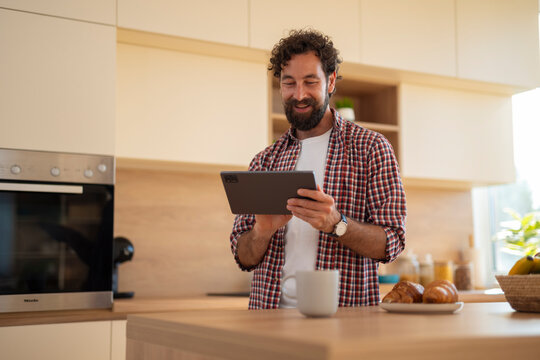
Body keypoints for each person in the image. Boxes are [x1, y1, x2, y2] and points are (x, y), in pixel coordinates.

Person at [229, 29, 406, 309]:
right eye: (289, 83)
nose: (299, 94)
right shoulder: (264, 162)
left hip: (343, 323)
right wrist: (261, 232)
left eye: (310, 81)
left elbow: (392, 243)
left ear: (331, 81)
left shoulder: (371, 148)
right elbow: (243, 257)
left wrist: (337, 224)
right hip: (268, 322)